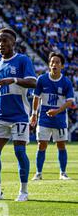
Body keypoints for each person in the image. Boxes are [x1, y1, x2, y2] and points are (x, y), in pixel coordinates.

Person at [0, 28, 37, 202]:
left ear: (13, 42)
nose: (1, 44)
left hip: (19, 115)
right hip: (0, 116)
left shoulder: (22, 60)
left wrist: (13, 80)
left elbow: (33, 82)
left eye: (5, 40)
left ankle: (24, 191)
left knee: (20, 151)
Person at [30, 52, 74, 181]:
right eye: (52, 62)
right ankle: (38, 173)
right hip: (44, 118)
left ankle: (63, 173)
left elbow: (70, 101)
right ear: (49, 64)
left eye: (57, 62)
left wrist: (57, 111)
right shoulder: (42, 79)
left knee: (61, 145)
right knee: (41, 145)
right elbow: (36, 98)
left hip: (59, 119)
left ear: (62, 66)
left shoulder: (66, 82)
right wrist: (34, 114)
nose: (54, 64)